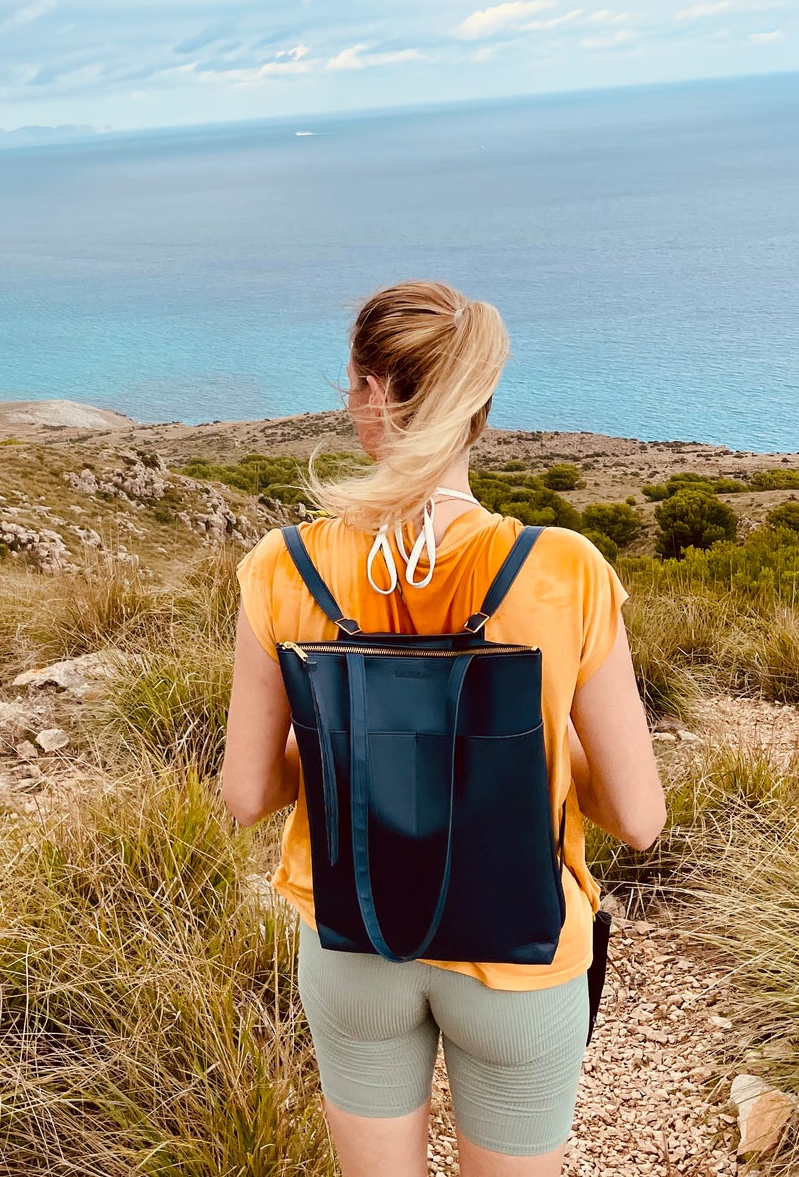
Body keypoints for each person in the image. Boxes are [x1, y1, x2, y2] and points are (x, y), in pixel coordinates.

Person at [222, 279, 665, 1177]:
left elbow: (244, 794)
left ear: (370, 395)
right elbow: (638, 814)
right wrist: (516, 743)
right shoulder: (564, 568)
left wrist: (359, 742)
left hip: (354, 940)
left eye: (352, 385)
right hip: (521, 955)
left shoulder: (283, 565)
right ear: (479, 408)